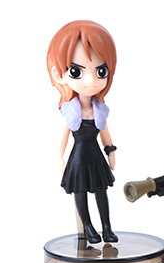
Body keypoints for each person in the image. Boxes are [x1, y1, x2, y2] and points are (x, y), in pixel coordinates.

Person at [47, 20, 119, 244]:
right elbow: (64, 137)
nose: (91, 80)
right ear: (60, 74)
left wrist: (110, 151)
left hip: (96, 156)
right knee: (80, 192)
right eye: (77, 71)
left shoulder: (99, 111)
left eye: (100, 71)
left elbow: (105, 134)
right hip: (78, 157)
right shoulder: (71, 112)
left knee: (101, 190)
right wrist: (59, 156)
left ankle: (107, 227)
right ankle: (88, 227)